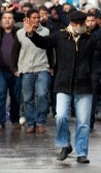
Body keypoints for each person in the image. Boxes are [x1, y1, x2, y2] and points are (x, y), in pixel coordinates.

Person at [25, 10, 96, 164]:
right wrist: (32, 34)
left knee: (83, 122)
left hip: (84, 85)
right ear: (70, 22)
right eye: (75, 23)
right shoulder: (60, 35)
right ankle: (65, 144)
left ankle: (82, 153)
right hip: (63, 83)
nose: (78, 26)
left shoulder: (91, 38)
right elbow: (44, 43)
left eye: (81, 23)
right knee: (61, 116)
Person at [10, 9, 53, 134]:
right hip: (26, 69)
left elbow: (49, 50)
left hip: (42, 67)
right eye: (33, 17)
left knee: (42, 94)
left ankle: (41, 122)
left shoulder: (46, 31)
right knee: (28, 98)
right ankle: (30, 123)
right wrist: (14, 68)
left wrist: (51, 66)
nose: (36, 20)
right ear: (27, 18)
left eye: (38, 17)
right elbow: (14, 52)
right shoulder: (20, 33)